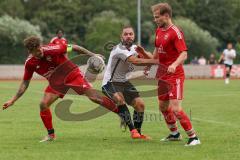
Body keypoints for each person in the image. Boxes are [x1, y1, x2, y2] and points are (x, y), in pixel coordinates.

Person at [2, 36, 121, 142]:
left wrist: (93, 55)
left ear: (41, 45)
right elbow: (25, 83)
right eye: (35, 52)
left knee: (95, 99)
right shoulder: (30, 63)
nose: (39, 52)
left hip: (72, 75)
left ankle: (121, 114)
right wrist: (13, 100)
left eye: (39, 49)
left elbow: (75, 47)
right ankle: (51, 135)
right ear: (29, 51)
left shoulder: (54, 49)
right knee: (43, 104)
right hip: (57, 83)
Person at [135, 2, 200, 146]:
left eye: (157, 17)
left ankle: (194, 137)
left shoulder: (175, 32)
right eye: (154, 17)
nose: (155, 20)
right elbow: (156, 56)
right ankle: (174, 133)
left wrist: (174, 65)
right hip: (162, 75)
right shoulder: (158, 31)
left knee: (176, 109)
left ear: (166, 16)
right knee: (163, 107)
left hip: (174, 75)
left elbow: (184, 54)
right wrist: (146, 59)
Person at [102, 26, 158, 140]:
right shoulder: (118, 49)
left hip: (124, 82)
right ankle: (133, 130)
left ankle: (138, 132)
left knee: (140, 105)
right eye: (126, 34)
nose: (128, 36)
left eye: (131, 34)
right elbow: (136, 61)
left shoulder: (135, 48)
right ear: (121, 36)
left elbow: (149, 59)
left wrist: (143, 52)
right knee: (120, 99)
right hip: (110, 83)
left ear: (134, 36)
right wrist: (159, 61)